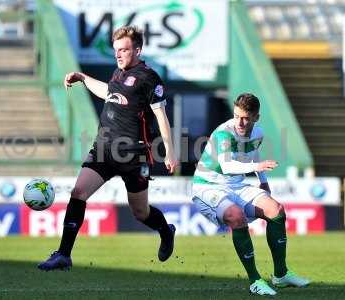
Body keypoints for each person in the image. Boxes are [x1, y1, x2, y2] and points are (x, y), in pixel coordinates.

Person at [38, 26, 178, 271]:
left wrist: (170, 151)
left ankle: (165, 231)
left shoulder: (149, 78)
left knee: (140, 212)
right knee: (78, 192)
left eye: (123, 50)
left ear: (137, 49)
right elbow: (109, 92)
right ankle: (63, 255)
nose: (118, 55)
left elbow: (161, 117)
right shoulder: (118, 73)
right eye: (116, 51)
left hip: (134, 154)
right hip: (104, 149)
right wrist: (82, 78)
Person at [192, 93, 309, 296]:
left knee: (276, 210)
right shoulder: (224, 133)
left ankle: (280, 275)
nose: (240, 122)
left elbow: (252, 154)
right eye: (237, 116)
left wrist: (263, 181)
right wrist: (258, 166)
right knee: (236, 216)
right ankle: (255, 280)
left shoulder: (258, 133)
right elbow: (227, 166)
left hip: (236, 185)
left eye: (246, 117)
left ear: (256, 117)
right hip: (208, 186)